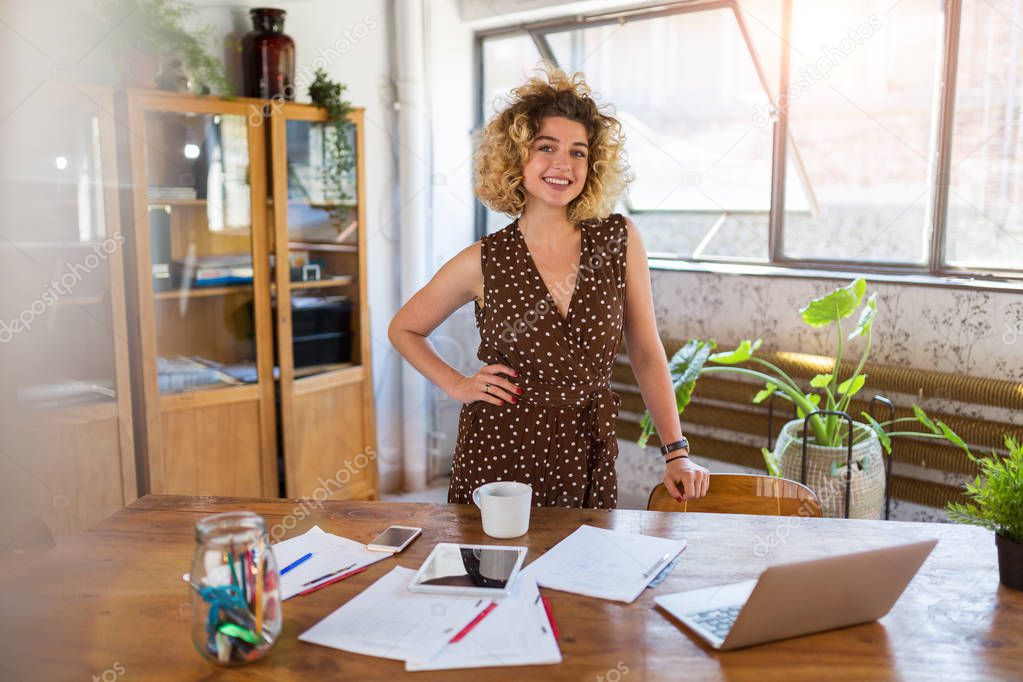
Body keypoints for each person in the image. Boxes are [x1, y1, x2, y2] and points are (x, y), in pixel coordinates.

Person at [388, 66, 709, 508]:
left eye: (578, 152)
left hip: (586, 446)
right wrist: (458, 384)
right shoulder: (483, 259)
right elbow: (404, 329)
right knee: (493, 571)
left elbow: (647, 352)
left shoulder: (619, 239)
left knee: (579, 570)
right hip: (497, 448)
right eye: (546, 147)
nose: (563, 163)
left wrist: (677, 453)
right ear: (516, 158)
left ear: (593, 165)